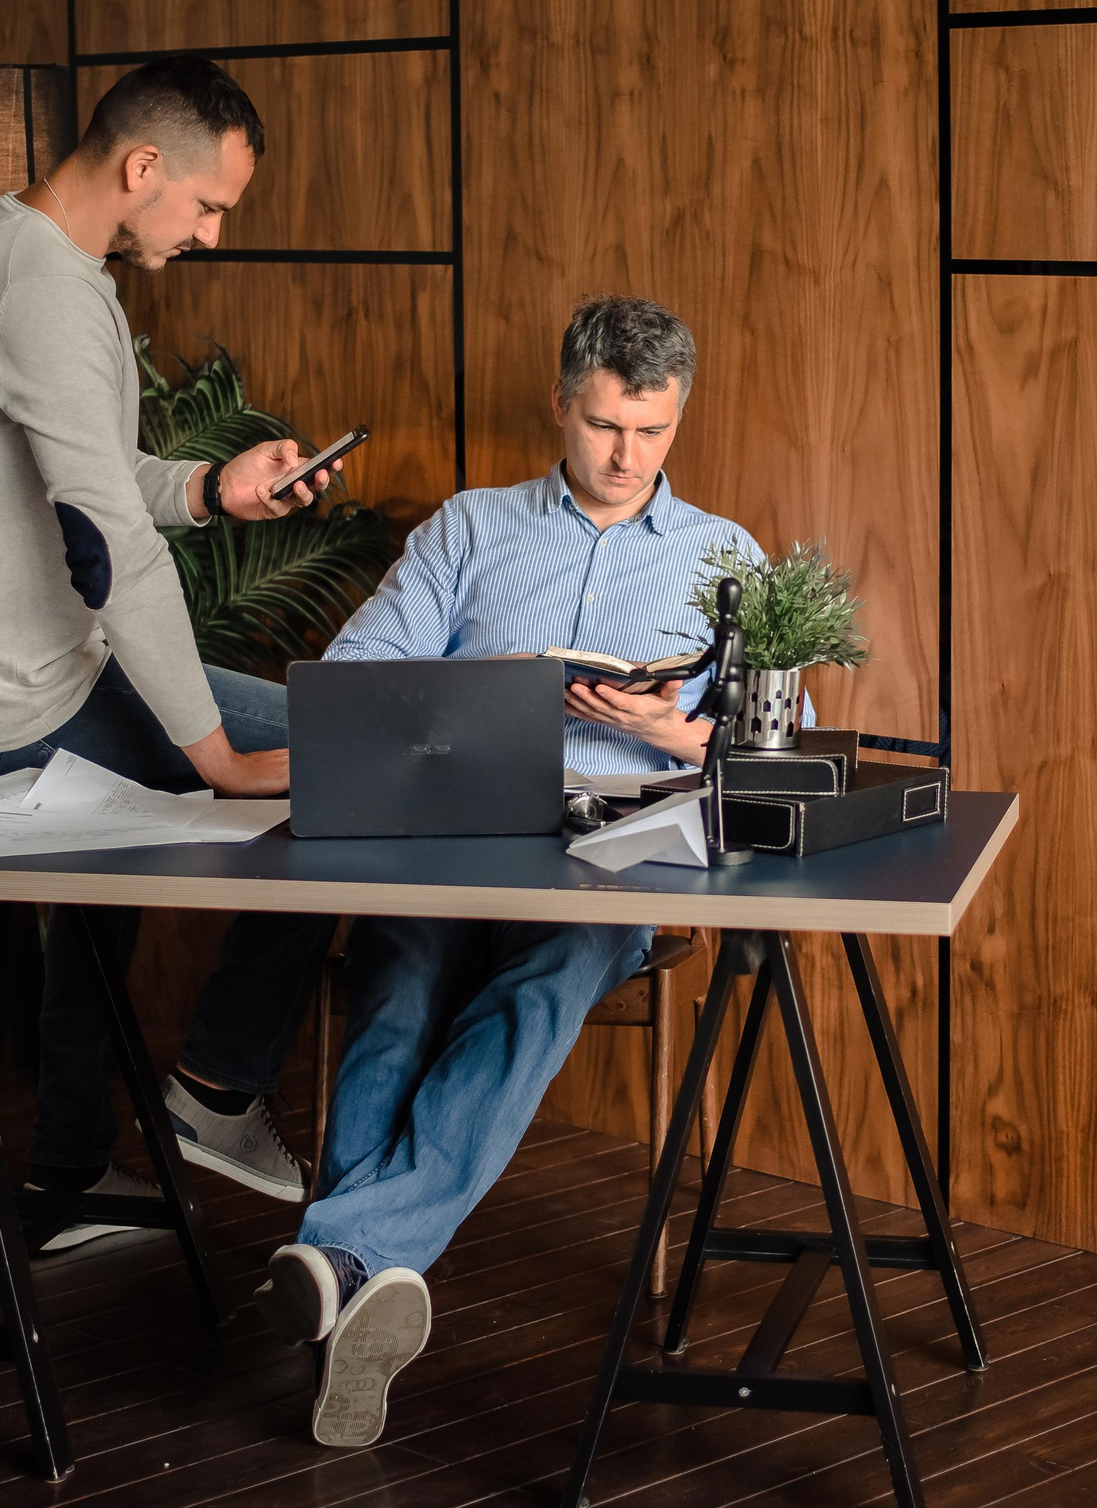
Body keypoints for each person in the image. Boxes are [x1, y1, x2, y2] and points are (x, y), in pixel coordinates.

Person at [256, 294, 794, 1449]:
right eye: (603, 425)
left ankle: (342, 1251)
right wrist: (479, 683)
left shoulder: (728, 555)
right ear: (560, 403)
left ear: (678, 417)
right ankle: (364, 1272)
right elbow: (353, 675)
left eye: (651, 431)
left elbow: (774, 747)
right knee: (399, 983)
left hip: (616, 853)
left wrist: (674, 731)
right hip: (452, 832)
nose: (625, 455)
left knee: (541, 986)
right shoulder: (471, 527)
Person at [0, 57, 344, 1239]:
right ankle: (217, 1085)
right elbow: (114, 548)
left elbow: (89, 471)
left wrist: (211, 489)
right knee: (349, 761)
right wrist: (219, 758)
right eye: (208, 205)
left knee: (154, 817)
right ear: (142, 167)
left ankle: (69, 1162)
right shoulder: (49, 292)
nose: (212, 233)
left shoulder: (14, 247)